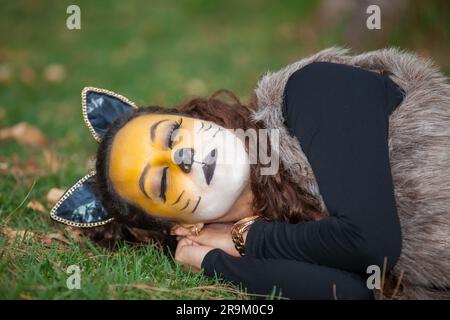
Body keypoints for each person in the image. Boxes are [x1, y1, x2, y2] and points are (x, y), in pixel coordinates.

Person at [51, 48, 450, 299]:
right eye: (162, 181)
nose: (182, 158)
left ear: (197, 118)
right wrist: (214, 261)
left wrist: (243, 236)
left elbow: (369, 244)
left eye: (172, 134)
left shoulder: (314, 90)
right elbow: (351, 292)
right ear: (184, 226)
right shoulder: (297, 230)